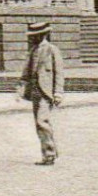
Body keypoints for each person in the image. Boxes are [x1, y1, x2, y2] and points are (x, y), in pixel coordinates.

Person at [19, 21, 64, 165]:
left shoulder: (52, 50)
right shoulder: (32, 50)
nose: (33, 38)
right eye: (33, 35)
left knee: (42, 121)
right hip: (34, 91)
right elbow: (26, 72)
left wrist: (58, 92)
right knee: (39, 124)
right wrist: (20, 88)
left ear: (43, 35)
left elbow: (59, 73)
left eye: (36, 35)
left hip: (46, 92)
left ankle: (49, 155)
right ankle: (50, 151)